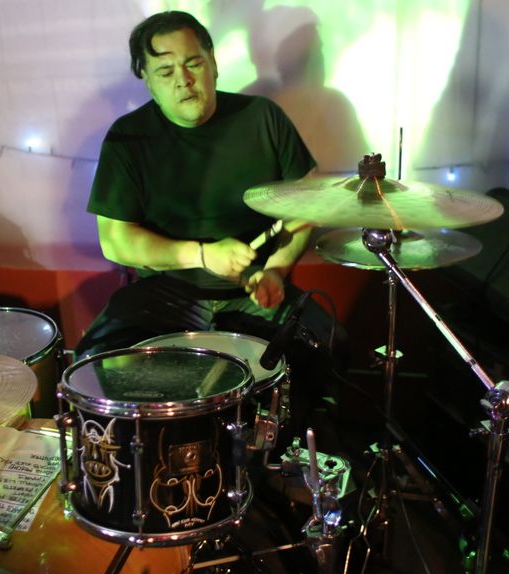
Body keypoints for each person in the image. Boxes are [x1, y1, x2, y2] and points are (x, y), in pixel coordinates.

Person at [74, 11, 344, 432]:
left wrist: (276, 269)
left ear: (213, 63)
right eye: (165, 71)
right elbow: (116, 241)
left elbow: (305, 206)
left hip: (253, 288)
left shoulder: (262, 117)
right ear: (148, 80)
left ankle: (289, 459)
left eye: (193, 63)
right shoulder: (128, 138)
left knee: (327, 351)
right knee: (96, 363)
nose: (183, 80)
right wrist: (202, 255)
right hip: (165, 292)